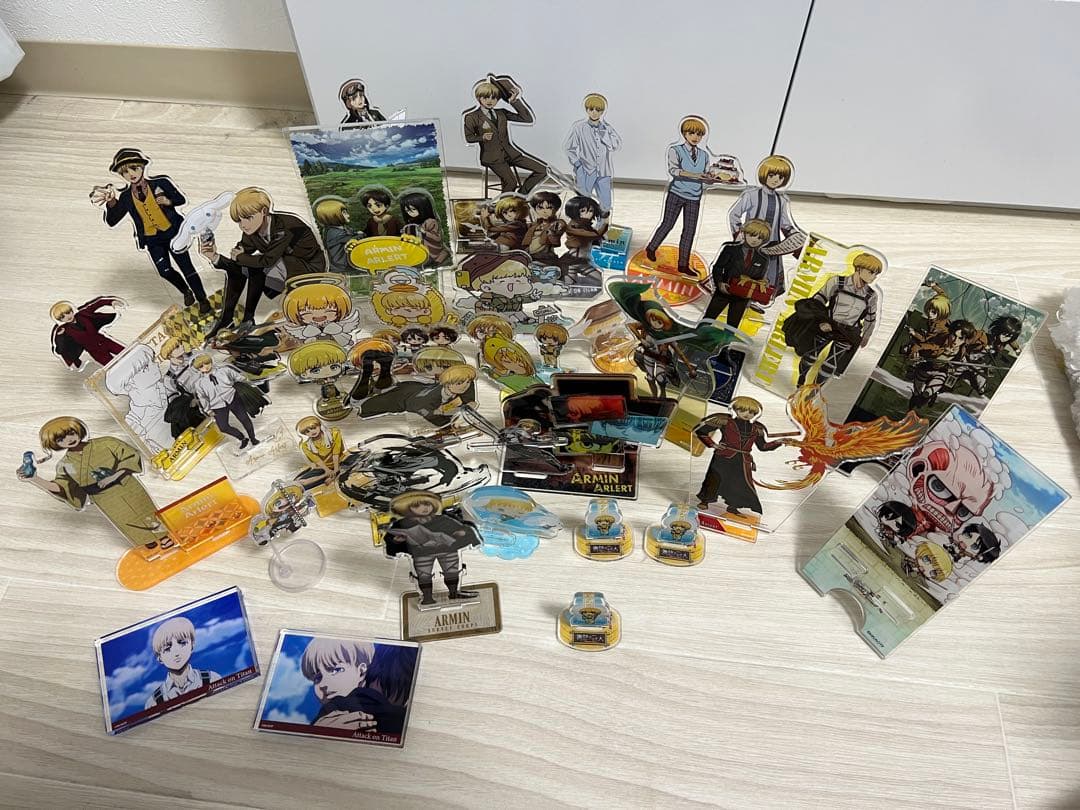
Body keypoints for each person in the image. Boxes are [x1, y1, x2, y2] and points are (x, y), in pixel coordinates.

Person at [17, 416, 169, 550]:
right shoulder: (65, 464)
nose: (68, 439)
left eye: (71, 433)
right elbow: (63, 487)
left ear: (78, 430)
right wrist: (35, 479)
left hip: (126, 484)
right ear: (55, 444)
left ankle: (165, 537)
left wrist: (114, 476)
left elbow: (129, 456)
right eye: (60, 439)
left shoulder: (106, 442)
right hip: (103, 497)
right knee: (123, 519)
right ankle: (147, 542)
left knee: (145, 510)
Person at [91, 148, 211, 312]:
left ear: (142, 167)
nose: (131, 174)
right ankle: (185, 290)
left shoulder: (161, 182)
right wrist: (111, 202)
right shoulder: (126, 197)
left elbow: (180, 199)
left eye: (134, 168)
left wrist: (168, 201)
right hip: (152, 239)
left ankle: (203, 299)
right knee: (164, 271)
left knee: (187, 267)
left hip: (173, 232)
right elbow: (112, 221)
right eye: (125, 172)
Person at [200, 187, 327, 338]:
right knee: (247, 265)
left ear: (264, 211)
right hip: (282, 267)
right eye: (239, 220)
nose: (243, 225)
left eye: (248, 218)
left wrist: (240, 257)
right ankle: (227, 318)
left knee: (255, 265)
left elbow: (267, 260)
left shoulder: (285, 226)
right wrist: (214, 257)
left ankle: (248, 318)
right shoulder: (252, 230)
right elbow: (239, 262)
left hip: (308, 270)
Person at [785, 251, 885, 386]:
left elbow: (871, 318)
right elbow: (818, 301)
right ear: (859, 268)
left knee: (830, 364)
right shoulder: (837, 282)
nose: (874, 277)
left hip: (848, 332)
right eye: (871, 272)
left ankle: (813, 389)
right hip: (828, 325)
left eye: (876, 274)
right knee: (811, 356)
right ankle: (801, 379)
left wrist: (866, 336)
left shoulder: (871, 295)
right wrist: (821, 321)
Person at [645, 117, 720, 276]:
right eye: (691, 133)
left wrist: (713, 179)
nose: (695, 137)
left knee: (689, 231)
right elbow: (674, 171)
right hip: (676, 193)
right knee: (668, 224)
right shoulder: (675, 150)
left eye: (699, 134)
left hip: (694, 197)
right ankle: (651, 247)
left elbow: (706, 177)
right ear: (684, 133)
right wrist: (696, 176)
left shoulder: (704, 155)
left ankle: (683, 264)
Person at [383, 491, 482, 605]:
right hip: (421, 553)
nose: (424, 508)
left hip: (447, 550)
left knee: (452, 571)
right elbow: (390, 537)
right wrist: (396, 540)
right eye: (417, 505)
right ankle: (427, 598)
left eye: (427, 504)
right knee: (423, 575)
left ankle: (454, 593)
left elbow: (461, 528)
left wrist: (461, 532)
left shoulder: (443, 519)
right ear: (407, 508)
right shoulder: (402, 524)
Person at [727, 155, 804, 299]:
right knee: (744, 271)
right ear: (764, 174)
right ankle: (740, 294)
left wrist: (798, 239)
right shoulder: (751, 195)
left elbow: (786, 224)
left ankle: (760, 297)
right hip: (751, 242)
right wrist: (741, 236)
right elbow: (734, 215)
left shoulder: (782, 200)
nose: (776, 179)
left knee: (768, 275)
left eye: (780, 177)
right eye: (772, 175)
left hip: (772, 246)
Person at [693, 397, 787, 516]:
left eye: (751, 412)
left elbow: (763, 446)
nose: (747, 414)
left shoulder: (757, 429)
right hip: (724, 456)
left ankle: (733, 506)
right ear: (735, 410)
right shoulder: (725, 421)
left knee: (740, 484)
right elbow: (701, 431)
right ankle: (705, 501)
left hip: (743, 460)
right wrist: (713, 444)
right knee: (714, 479)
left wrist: (778, 442)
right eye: (743, 410)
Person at [301, 637, 406, 735]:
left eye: (336, 670)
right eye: (318, 678)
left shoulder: (331, 711)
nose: (323, 684)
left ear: (361, 671)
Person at [462, 75, 548, 194]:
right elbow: (469, 138)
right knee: (511, 182)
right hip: (493, 157)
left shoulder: (501, 113)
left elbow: (527, 119)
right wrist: (482, 137)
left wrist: (514, 101)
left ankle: (520, 196)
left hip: (511, 154)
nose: (490, 101)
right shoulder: (471, 117)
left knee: (542, 170)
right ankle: (503, 204)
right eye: (486, 98)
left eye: (494, 98)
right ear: (479, 98)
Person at [104, 343, 173, 453]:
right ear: (130, 385)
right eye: (146, 367)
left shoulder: (169, 385)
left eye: (152, 360)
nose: (155, 364)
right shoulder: (134, 422)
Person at [702, 219, 772, 327]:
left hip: (742, 297)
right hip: (724, 291)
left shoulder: (763, 259)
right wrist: (720, 283)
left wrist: (763, 283)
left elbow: (759, 278)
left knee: (732, 326)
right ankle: (697, 335)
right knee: (708, 320)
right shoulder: (730, 249)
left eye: (760, 238)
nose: (755, 240)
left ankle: (727, 339)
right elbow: (718, 268)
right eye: (752, 235)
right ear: (744, 233)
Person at [360, 365, 478, 428]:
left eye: (467, 382)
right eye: (459, 383)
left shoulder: (465, 383)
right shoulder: (427, 399)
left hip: (414, 388)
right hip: (399, 401)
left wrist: (447, 408)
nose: (465, 386)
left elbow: (470, 401)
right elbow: (427, 412)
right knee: (373, 403)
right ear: (447, 383)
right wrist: (451, 422)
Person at [190, 354, 265, 451]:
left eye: (207, 363)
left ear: (211, 361)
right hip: (217, 405)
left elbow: (239, 377)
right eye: (201, 366)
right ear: (198, 369)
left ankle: (253, 438)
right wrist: (208, 410)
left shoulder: (224, 371)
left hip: (233, 398)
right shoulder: (199, 383)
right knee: (223, 427)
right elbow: (203, 398)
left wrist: (248, 382)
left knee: (244, 419)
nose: (205, 367)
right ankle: (242, 438)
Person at [144, 617, 221, 708]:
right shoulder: (153, 702)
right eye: (167, 649)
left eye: (182, 643)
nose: (176, 653)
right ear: (159, 658)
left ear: (192, 645)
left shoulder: (213, 679)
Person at [563, 93, 621, 213]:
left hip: (604, 171)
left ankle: (602, 223)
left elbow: (616, 145)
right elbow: (568, 147)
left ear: (602, 112)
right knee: (583, 202)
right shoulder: (579, 127)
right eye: (591, 109)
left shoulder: (607, 128)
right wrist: (578, 164)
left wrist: (604, 135)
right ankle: (583, 223)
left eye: (598, 110)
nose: (594, 112)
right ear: (587, 110)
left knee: (606, 203)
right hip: (585, 170)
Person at [50, 297, 125, 370]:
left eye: (68, 313)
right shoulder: (65, 330)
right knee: (114, 367)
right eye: (62, 317)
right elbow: (61, 349)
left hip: (106, 341)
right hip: (96, 352)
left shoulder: (82, 314)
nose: (67, 316)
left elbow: (96, 304)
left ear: (72, 311)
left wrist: (111, 302)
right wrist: (60, 336)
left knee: (126, 353)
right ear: (60, 320)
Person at [159, 337, 205, 438]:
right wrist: (190, 403)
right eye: (177, 347)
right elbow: (174, 401)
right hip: (196, 403)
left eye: (180, 344)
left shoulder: (194, 356)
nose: (181, 347)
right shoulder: (169, 377)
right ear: (169, 354)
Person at [399, 190, 450, 266]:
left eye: (413, 209)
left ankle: (439, 257)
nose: (409, 213)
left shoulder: (430, 222)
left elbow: (437, 238)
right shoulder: (411, 222)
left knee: (427, 258)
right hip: (417, 246)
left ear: (423, 207)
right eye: (407, 211)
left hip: (431, 248)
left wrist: (425, 233)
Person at [294, 416, 345, 489]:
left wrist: (336, 471)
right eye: (307, 431)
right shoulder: (305, 446)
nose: (312, 432)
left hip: (340, 462)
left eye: (313, 428)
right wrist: (327, 471)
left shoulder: (334, 433)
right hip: (322, 467)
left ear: (319, 425)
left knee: (327, 482)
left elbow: (335, 453)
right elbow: (317, 460)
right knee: (298, 482)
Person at [313, 197, 357, 275]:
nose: (348, 215)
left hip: (346, 264)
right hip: (340, 267)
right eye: (344, 213)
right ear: (332, 215)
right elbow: (347, 238)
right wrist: (359, 235)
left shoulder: (344, 229)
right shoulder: (332, 232)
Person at [523, 191, 565, 263]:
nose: (544, 211)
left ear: (556, 209)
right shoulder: (535, 224)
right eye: (540, 208)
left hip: (545, 256)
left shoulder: (556, 223)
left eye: (549, 208)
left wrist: (556, 228)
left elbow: (560, 226)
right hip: (529, 255)